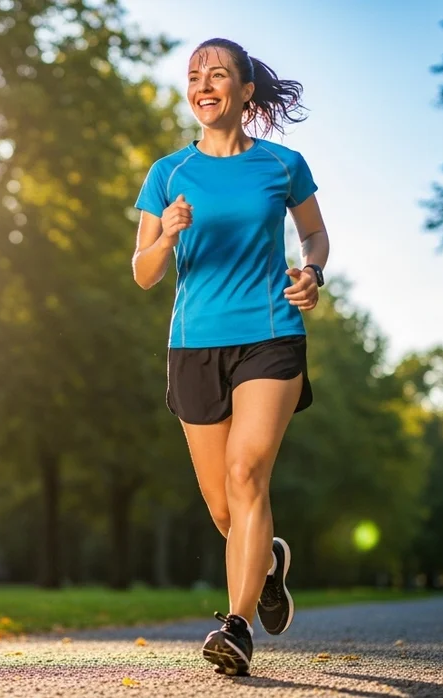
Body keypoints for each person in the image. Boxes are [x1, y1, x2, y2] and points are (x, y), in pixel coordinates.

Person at [130, 37, 330, 677]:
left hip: (270, 335)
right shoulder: (168, 174)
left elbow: (314, 233)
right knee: (224, 509)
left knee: (247, 476)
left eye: (218, 74)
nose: (204, 84)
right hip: (194, 343)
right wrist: (166, 234)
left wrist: (313, 272)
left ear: (246, 92)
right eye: (194, 76)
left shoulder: (283, 164)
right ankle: (267, 561)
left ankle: (237, 626)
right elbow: (142, 273)